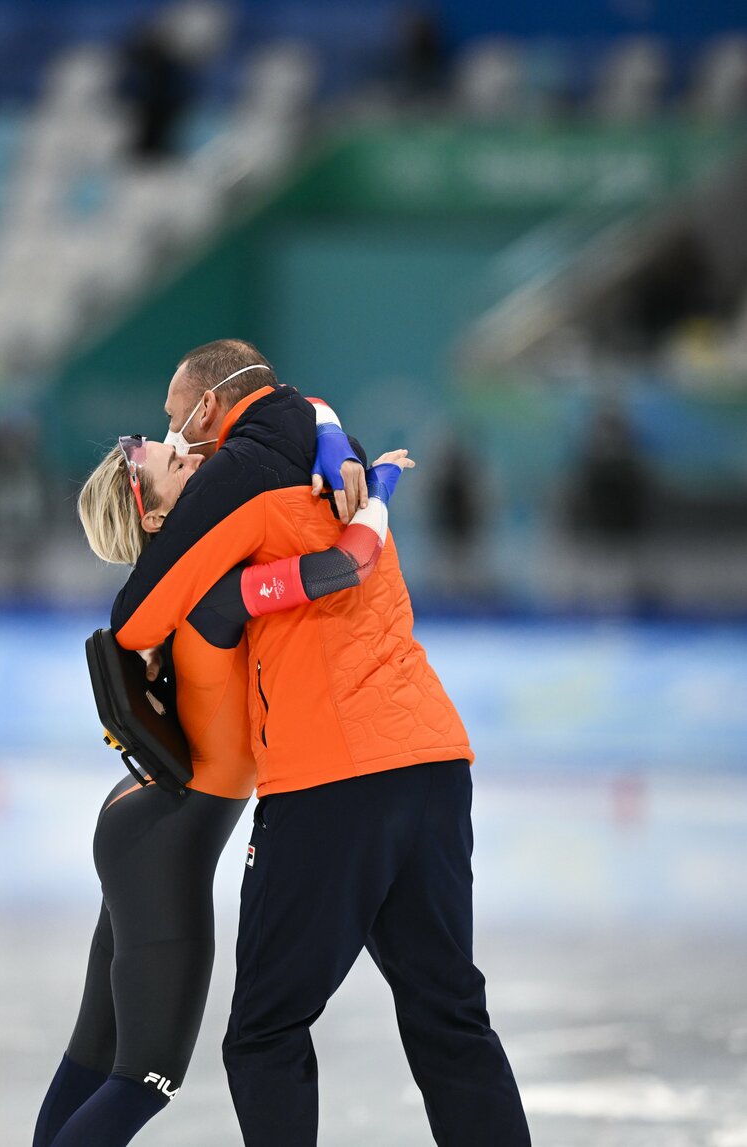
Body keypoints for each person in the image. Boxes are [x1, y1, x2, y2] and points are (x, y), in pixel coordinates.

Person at [111, 338, 531, 1146]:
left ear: (209, 406)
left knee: (263, 1033)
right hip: (432, 756)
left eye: (174, 416)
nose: (171, 435)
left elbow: (133, 619)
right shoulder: (336, 450)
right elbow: (306, 412)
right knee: (448, 1013)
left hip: (330, 779)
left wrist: (210, 584)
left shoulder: (238, 475)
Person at [33, 423, 412, 1147]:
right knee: (145, 1078)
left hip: (149, 825)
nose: (202, 463)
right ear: (155, 515)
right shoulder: (213, 592)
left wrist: (336, 447)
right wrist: (381, 490)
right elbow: (347, 564)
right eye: (181, 465)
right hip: (162, 843)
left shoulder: (181, 585)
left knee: (95, 1056)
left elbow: (296, 417)